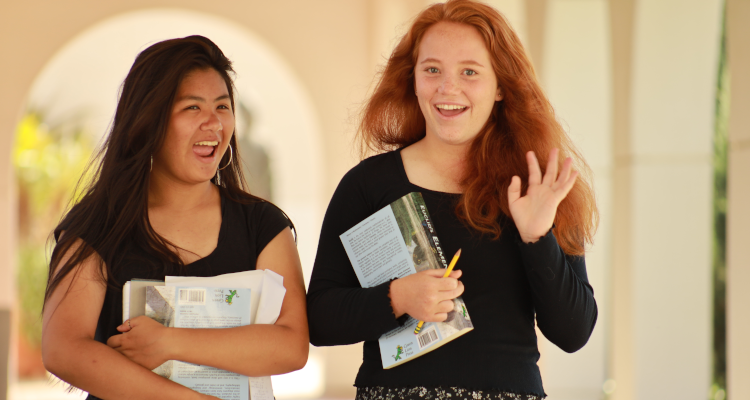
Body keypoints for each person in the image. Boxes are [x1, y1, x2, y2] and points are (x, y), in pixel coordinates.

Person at [306, 1, 598, 399]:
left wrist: (537, 238)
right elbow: (320, 319)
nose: (448, 87)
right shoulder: (367, 185)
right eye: (432, 70)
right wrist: (397, 297)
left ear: (500, 87)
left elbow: (573, 332)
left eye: (470, 72)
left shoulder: (536, 187)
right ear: (412, 79)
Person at [41, 36, 308, 400]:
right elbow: (64, 349)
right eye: (192, 108)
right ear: (149, 120)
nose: (214, 123)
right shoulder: (98, 225)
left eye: (222, 106)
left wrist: (169, 342)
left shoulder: (263, 226)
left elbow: (291, 345)